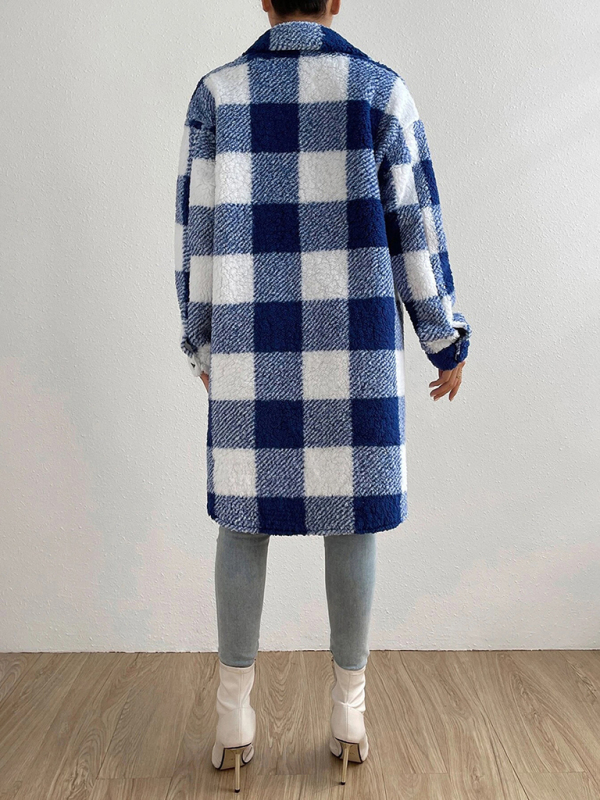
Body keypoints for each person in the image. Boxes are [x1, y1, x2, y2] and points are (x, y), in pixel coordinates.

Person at [174, 0, 472, 791]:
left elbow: (197, 231)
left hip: (252, 337)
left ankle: (233, 716)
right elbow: (417, 229)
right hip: (355, 345)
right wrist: (444, 339)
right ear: (335, 0)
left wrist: (201, 339)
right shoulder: (380, 92)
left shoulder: (218, 95)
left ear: (264, 1)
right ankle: (349, 712)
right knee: (354, 519)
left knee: (243, 523)